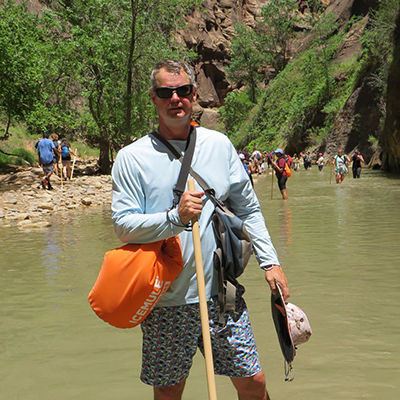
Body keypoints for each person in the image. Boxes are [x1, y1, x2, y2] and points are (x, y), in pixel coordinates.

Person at [111, 60, 290, 400]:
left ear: (194, 95)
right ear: (153, 98)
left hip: (221, 294)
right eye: (165, 92)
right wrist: (174, 218)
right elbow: (123, 226)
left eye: (182, 91)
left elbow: (248, 208)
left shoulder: (219, 146)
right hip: (165, 300)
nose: (174, 98)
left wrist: (271, 263)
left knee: (254, 383)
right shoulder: (131, 158)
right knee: (169, 392)